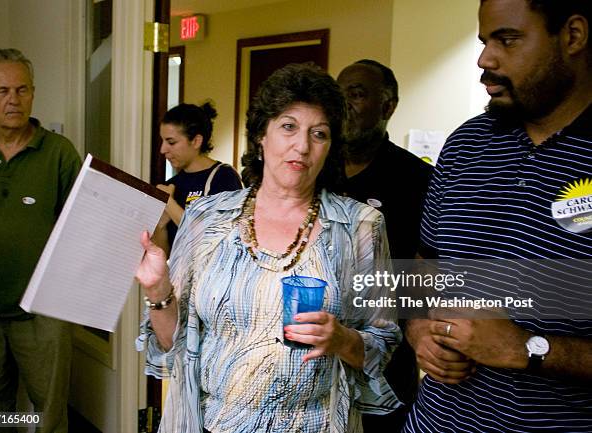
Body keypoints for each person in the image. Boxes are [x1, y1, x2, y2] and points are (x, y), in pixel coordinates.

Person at [135, 63, 402, 433]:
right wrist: (157, 290)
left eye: (319, 133)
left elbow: (383, 344)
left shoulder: (360, 226)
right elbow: (172, 342)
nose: (302, 146)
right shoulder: (208, 218)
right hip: (215, 423)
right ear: (262, 135)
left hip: (316, 425)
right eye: (288, 127)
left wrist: (342, 338)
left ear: (330, 147)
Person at [404, 0, 592, 431]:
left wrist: (529, 348)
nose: (485, 59)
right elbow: (423, 267)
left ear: (573, 36)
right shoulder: (464, 145)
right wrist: (419, 332)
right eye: (485, 40)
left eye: (507, 40)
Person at [0, 49, 81, 432]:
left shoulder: (59, 152)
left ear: (33, 94)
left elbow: (85, 224)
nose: (13, 100)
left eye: (22, 90)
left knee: (49, 415)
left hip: (44, 311)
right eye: (3, 90)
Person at [337, 60, 432, 433]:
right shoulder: (318, 174)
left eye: (357, 95)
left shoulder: (417, 180)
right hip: (318, 357)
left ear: (388, 106)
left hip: (386, 360)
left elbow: (426, 275)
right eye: (339, 95)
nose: (345, 104)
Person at [153, 101, 242, 254]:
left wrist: (169, 203)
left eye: (171, 142)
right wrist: (161, 225)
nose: (163, 149)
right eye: (162, 141)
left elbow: (211, 240)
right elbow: (164, 253)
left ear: (196, 141)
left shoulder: (224, 177)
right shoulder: (171, 185)